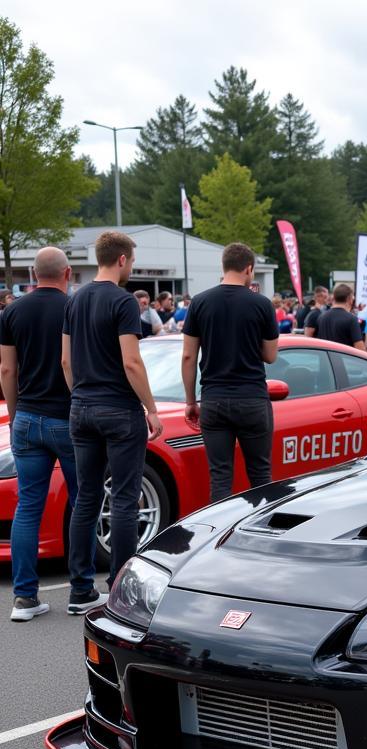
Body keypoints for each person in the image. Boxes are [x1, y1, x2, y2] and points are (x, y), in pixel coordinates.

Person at [61, 230, 163, 612]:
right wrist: (151, 408)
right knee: (123, 499)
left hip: (82, 406)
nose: (130, 267)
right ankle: (122, 589)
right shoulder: (123, 303)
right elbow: (132, 362)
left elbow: (66, 361)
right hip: (119, 409)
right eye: (131, 261)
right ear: (121, 260)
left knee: (85, 497)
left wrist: (81, 395)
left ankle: (79, 589)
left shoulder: (74, 300)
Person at [0, 247, 77, 621]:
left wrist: (16, 416)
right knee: (83, 501)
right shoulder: (74, 308)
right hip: (68, 417)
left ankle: (25, 599)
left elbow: (6, 371)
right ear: (67, 273)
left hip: (28, 417)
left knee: (28, 508)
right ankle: (81, 590)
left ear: (33, 273)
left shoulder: (11, 311)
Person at [181, 242, 279, 503]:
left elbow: (189, 356)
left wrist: (191, 400)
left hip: (213, 398)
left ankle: (218, 537)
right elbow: (270, 355)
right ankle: (260, 535)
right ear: (249, 268)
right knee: (260, 474)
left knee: (220, 476)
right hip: (252, 398)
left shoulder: (200, 302)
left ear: (223, 267)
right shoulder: (262, 305)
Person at [316, 283, 365, 349]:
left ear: (334, 298)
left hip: (326, 358)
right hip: (345, 358)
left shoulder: (321, 317)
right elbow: (360, 348)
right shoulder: (351, 319)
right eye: (353, 298)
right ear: (349, 299)